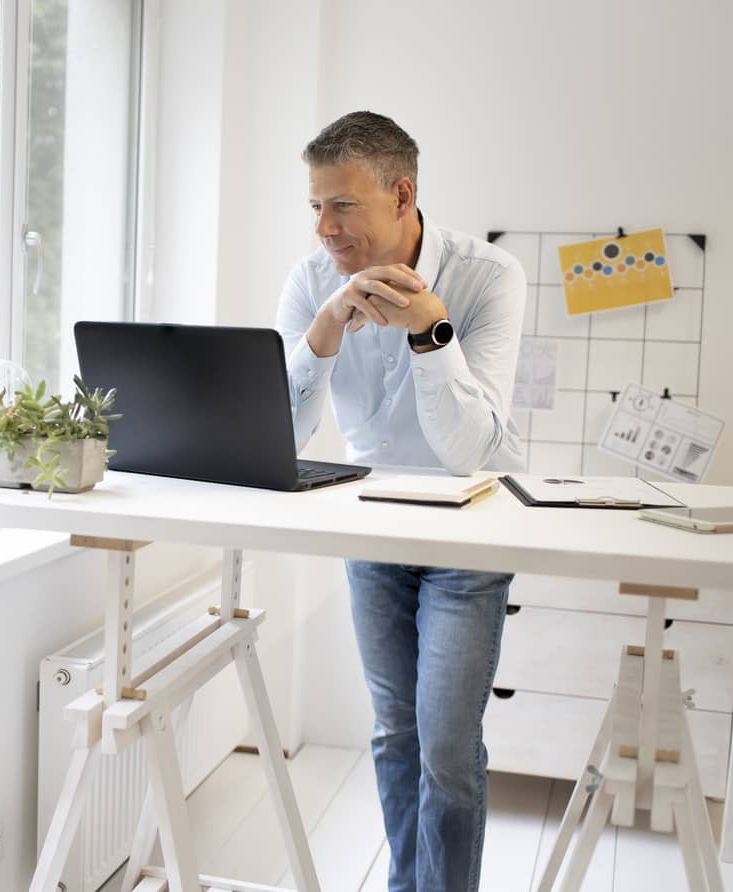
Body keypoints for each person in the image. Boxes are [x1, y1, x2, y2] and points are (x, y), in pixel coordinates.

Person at [275, 111, 526, 892]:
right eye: (315, 205)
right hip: (373, 528)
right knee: (393, 733)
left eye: (340, 205)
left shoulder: (488, 277)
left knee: (447, 746)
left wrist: (430, 332)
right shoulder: (314, 280)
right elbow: (279, 432)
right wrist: (321, 334)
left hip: (469, 531)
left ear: (401, 194)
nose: (324, 227)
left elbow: (467, 451)